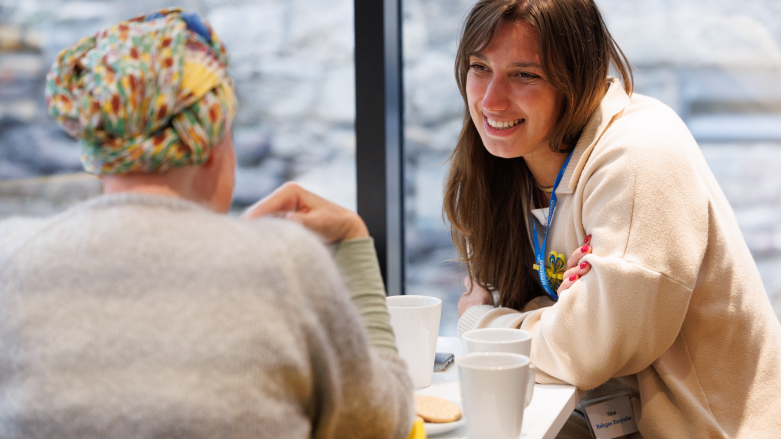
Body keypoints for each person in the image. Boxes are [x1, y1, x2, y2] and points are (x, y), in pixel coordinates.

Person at [0, 9, 413, 438]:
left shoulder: (11, 262)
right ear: (214, 145)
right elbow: (379, 424)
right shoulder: (284, 265)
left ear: (101, 148)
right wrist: (353, 241)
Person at [443, 0, 781, 438]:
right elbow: (566, 331)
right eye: (479, 67)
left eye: (524, 74)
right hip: (595, 415)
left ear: (576, 75)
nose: (490, 100)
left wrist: (482, 324)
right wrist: (560, 317)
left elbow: (584, 350)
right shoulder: (504, 162)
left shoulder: (639, 154)